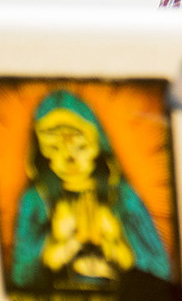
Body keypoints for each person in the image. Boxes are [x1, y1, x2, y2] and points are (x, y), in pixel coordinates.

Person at [11, 90, 171, 291]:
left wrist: (115, 242)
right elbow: (21, 279)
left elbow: (160, 272)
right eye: (54, 147)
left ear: (97, 144)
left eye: (80, 146)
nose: (69, 160)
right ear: (41, 150)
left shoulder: (122, 195)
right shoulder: (36, 199)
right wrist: (60, 245)